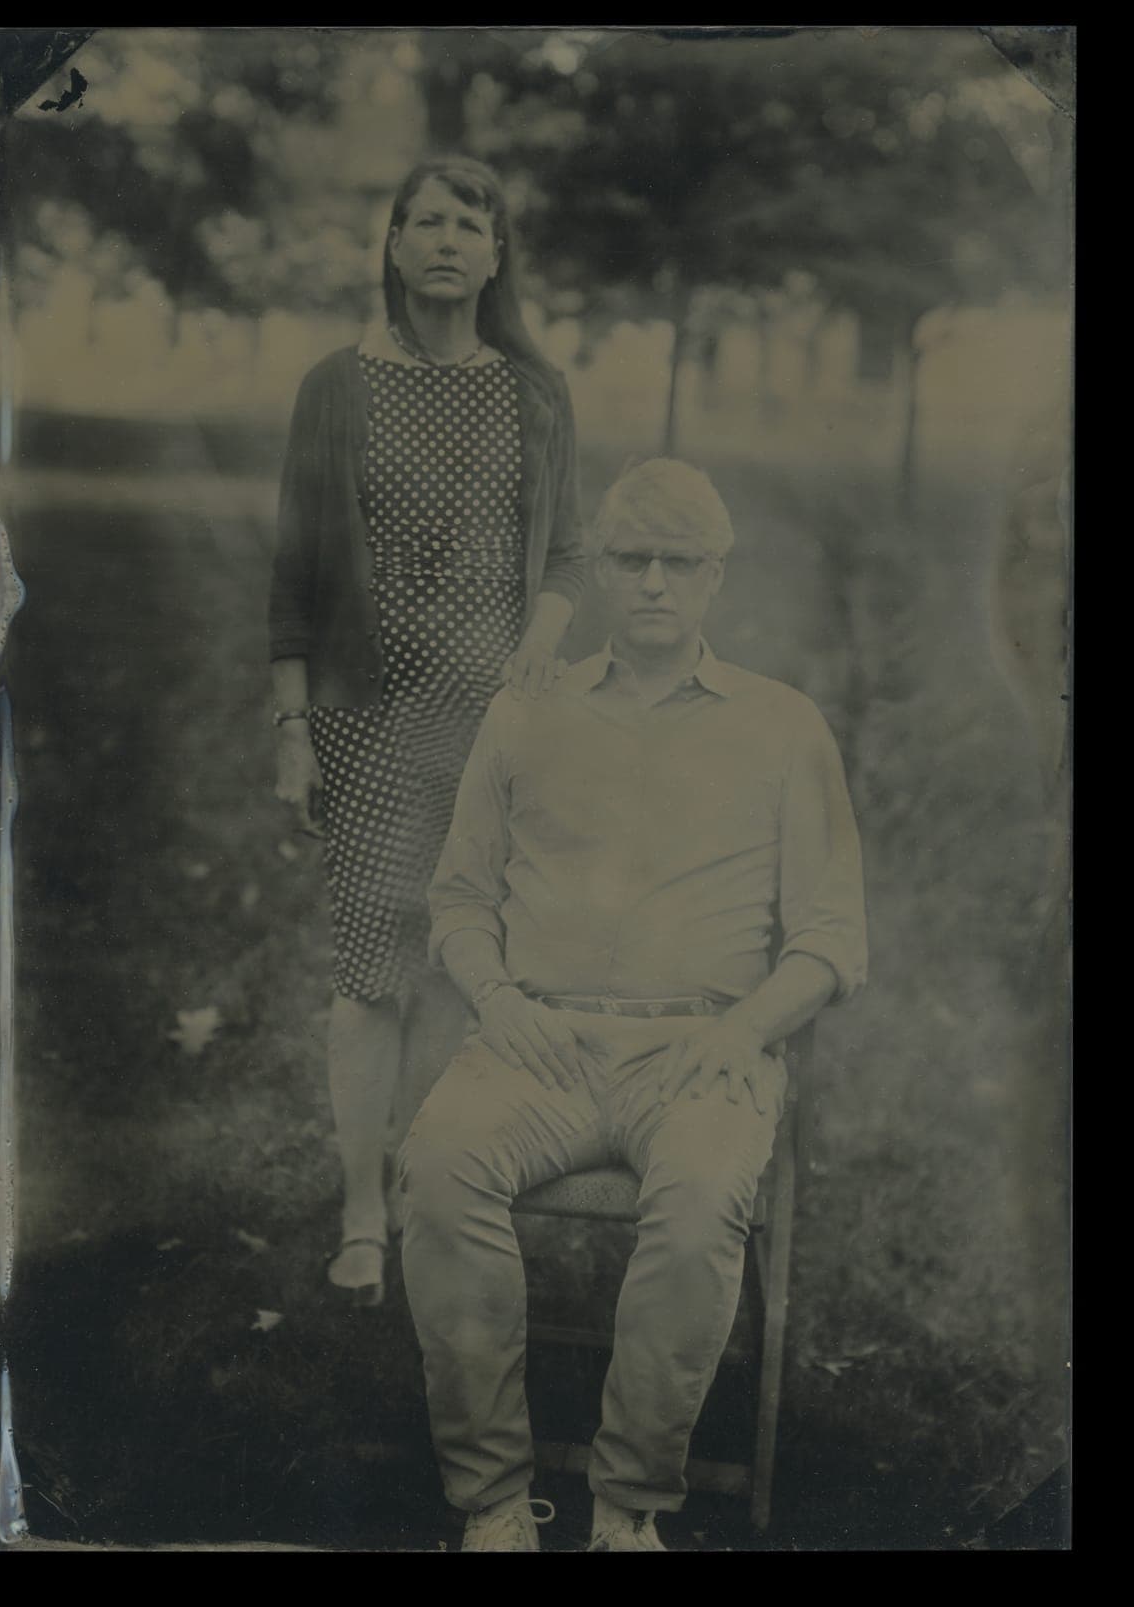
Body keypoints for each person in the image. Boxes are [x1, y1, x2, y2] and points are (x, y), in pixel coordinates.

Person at [399, 458, 868, 1551]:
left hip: (701, 1048)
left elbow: (832, 938)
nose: (655, 582)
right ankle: (496, 1501)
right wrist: (496, 995)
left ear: (716, 577)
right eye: (631, 560)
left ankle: (627, 1507)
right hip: (537, 1038)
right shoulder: (528, 709)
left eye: (680, 562)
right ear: (600, 573)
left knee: (704, 1195)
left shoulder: (782, 724)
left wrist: (745, 1028)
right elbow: (459, 897)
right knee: (438, 1162)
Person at [269, 157, 586, 1307]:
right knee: (369, 975)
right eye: (426, 221)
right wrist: (292, 725)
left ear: (497, 255)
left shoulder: (534, 395)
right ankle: (361, 1210)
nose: (448, 239)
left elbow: (561, 555)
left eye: (472, 222)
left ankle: (428, 1193)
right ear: (394, 248)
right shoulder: (335, 389)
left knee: (459, 968)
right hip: (365, 721)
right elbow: (295, 573)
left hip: (488, 729)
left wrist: (541, 641)